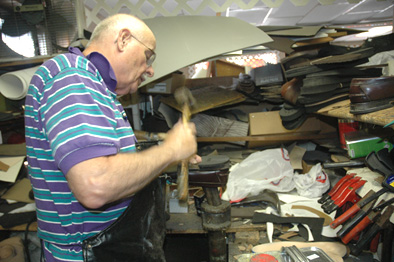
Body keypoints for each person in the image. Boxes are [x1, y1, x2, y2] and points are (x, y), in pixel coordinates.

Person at [25, 13, 200, 261]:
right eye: (148, 56)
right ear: (124, 39)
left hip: (108, 246)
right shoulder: (71, 77)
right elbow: (95, 185)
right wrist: (170, 150)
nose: (150, 69)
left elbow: (108, 162)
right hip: (87, 252)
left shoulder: (96, 88)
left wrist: (168, 155)